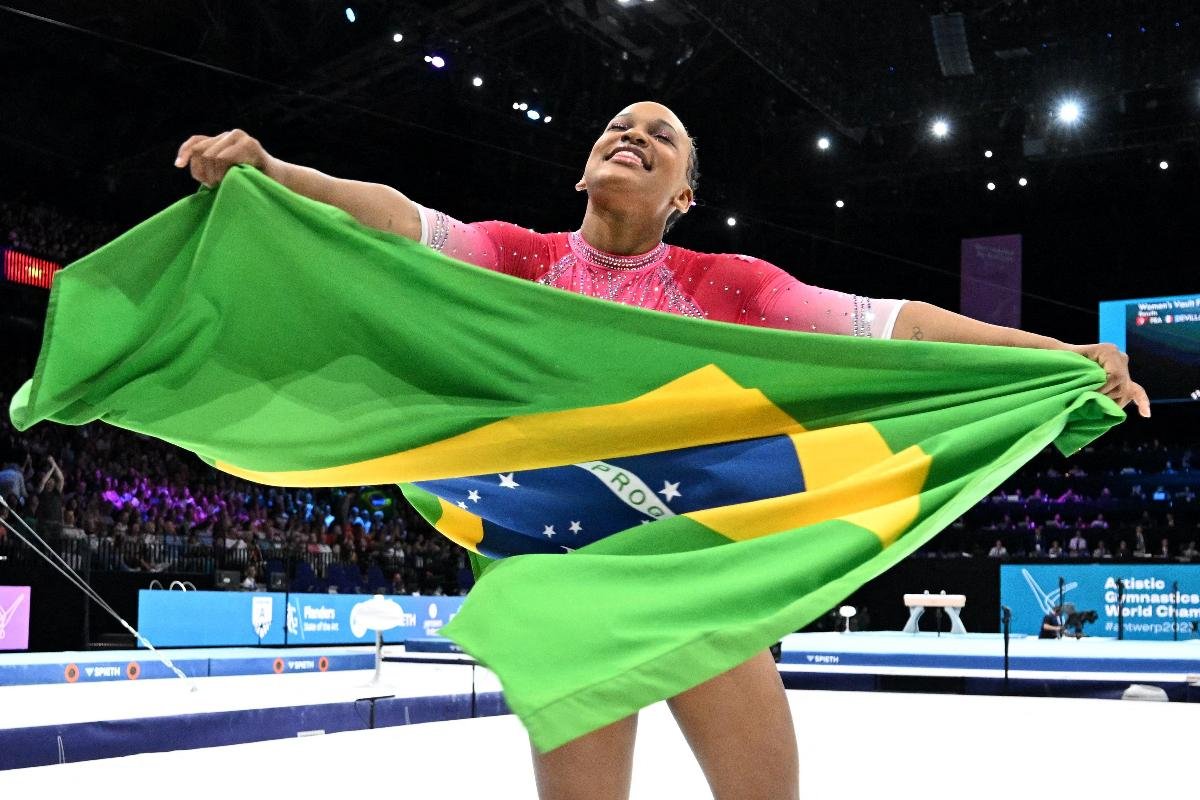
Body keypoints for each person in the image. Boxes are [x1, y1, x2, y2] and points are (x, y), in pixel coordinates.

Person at [175, 102, 1150, 800]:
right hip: (568, 577)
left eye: (663, 135)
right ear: (583, 168)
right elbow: (393, 220)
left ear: (684, 194)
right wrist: (281, 174)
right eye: (616, 126)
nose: (632, 135)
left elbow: (897, 326)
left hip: (693, 573)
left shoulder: (729, 284)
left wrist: (1058, 352)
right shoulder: (518, 258)